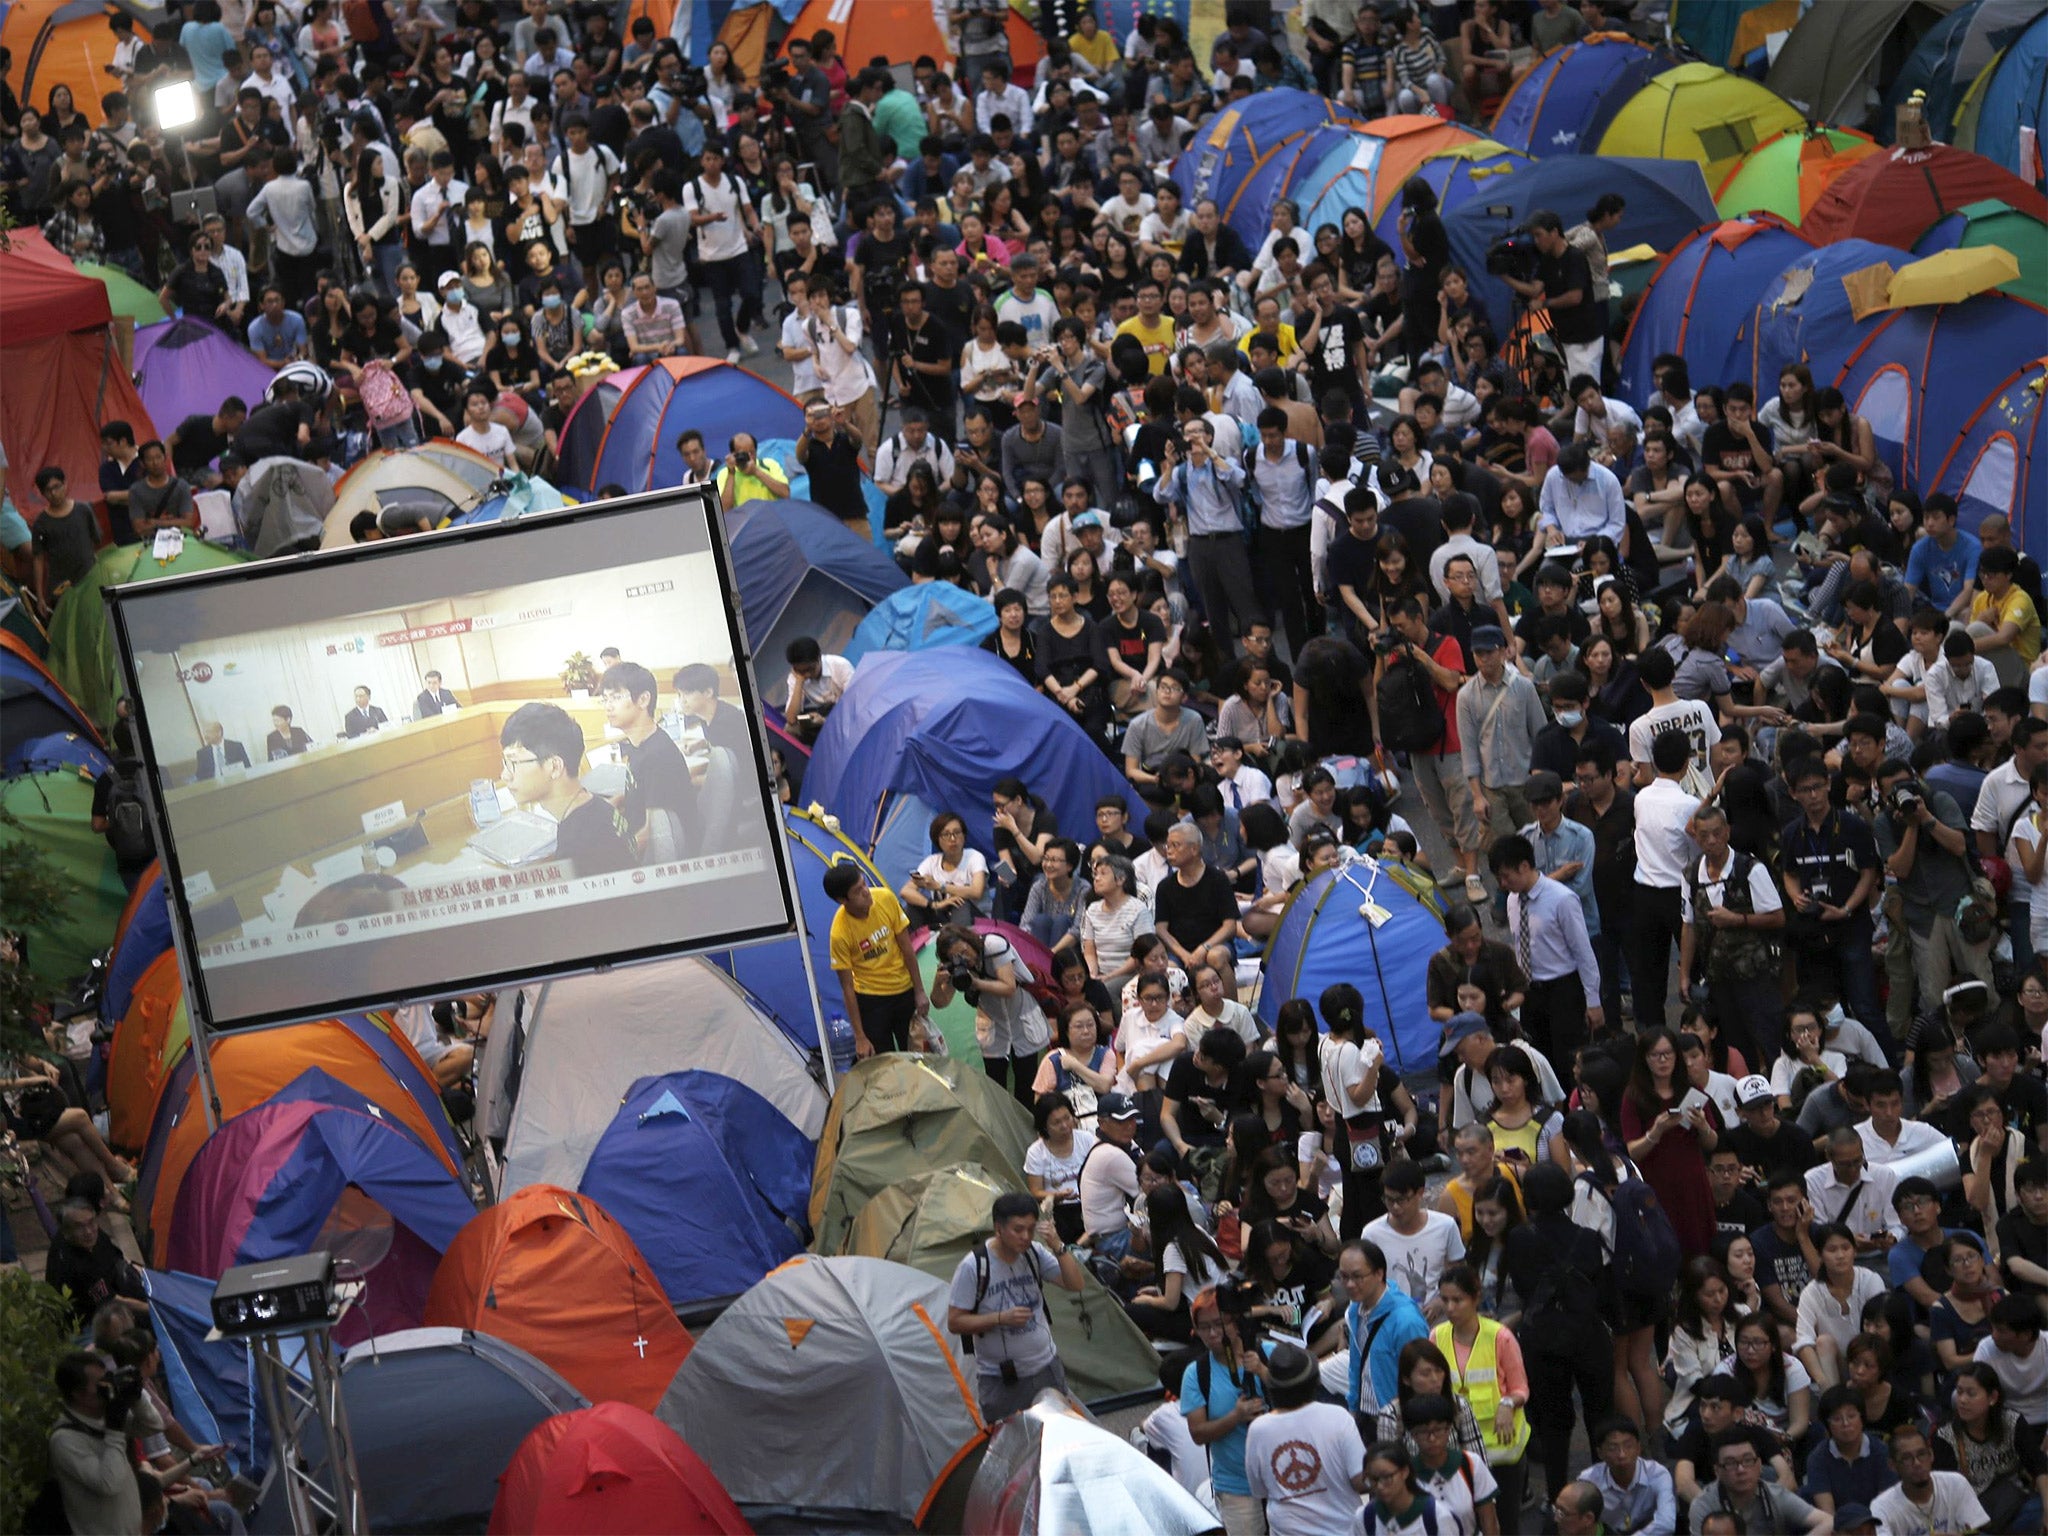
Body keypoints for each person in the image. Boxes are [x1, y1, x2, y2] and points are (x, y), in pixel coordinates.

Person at [946, 1190, 1088, 1420]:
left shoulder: (1034, 1254)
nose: (1025, 1237)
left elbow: (1075, 1284)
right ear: (998, 1228)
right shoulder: (974, 1266)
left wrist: (1058, 1246)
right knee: (1010, 1445)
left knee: (1056, 1436)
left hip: (1046, 1366)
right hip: (1001, 1378)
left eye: (1031, 1229)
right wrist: (1001, 1318)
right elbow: (955, 1322)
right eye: (1018, 1229)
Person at [1491, 834, 1602, 1071]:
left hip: (1563, 990)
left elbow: (1583, 952)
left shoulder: (1562, 899)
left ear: (1523, 866)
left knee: (1567, 1060)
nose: (1502, 883)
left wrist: (1593, 1001)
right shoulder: (1513, 900)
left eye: (1505, 876)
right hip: (1531, 992)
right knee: (1538, 1060)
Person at [1245, 1343, 1368, 1536]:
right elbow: (1361, 1480)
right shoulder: (1339, 1417)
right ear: (1313, 1381)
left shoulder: (1258, 1430)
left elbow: (1259, 1490)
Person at [499, 702, 632, 877]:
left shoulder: (576, 845)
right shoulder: (594, 807)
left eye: (513, 763)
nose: (504, 775)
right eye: (505, 763)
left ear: (554, 767)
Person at [1181, 1288, 1274, 1536]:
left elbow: (1302, 1402)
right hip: (1235, 1486)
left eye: (1219, 1324)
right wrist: (1236, 1417)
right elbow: (1198, 1433)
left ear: (1236, 1322)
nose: (1212, 1334)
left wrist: (1265, 1374)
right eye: (1203, 1327)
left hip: (1280, 1477)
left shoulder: (1268, 1353)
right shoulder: (1196, 1374)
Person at [823, 862, 930, 1059]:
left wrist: (920, 991)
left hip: (904, 990)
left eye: (864, 884)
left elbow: (907, 948)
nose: (866, 892)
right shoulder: (839, 933)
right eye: (858, 891)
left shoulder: (885, 898)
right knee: (885, 1064)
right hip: (872, 1001)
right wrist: (860, 1037)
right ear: (842, 899)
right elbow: (847, 987)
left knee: (918, 1058)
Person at [599, 662, 696, 864]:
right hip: (639, 835)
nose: (608, 706)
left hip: (663, 857)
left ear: (643, 699)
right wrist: (617, 801)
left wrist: (609, 863)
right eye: (605, 699)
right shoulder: (641, 744)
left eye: (616, 697)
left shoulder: (658, 756)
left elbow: (652, 832)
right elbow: (641, 789)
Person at [47, 1352, 145, 1536]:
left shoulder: (102, 1417)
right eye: (100, 1383)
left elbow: (154, 1425)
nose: (108, 1386)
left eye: (108, 1378)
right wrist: (115, 1431)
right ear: (78, 1394)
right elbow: (109, 1483)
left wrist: (135, 1397)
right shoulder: (64, 1439)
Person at [1690, 1425, 1830, 1534]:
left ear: (1759, 1465)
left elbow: (1828, 1522)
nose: (1741, 1470)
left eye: (1747, 1460)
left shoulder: (1776, 1495)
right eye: (1731, 1463)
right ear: (1717, 1471)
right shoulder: (1704, 1506)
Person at [43, 1198, 148, 1325]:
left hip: (110, 1286)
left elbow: (117, 1259)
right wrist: (153, 1309)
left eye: (91, 1222)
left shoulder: (94, 1236)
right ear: (67, 1231)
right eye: (79, 1226)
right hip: (85, 1320)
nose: (88, 1231)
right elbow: (113, 1301)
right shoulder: (76, 1264)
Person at [1872, 1420, 1987, 1536]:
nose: (1917, 1463)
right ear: (1893, 1465)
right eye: (1907, 1458)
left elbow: (1976, 1531)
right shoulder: (1881, 1507)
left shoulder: (1955, 1483)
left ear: (1931, 1455)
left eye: (1921, 1454)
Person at [1576, 1415, 1675, 1536]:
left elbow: (1667, 1522)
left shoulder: (1657, 1474)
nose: (1622, 1454)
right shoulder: (1588, 1481)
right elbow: (1578, 1523)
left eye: (1628, 1446)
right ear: (1600, 1453)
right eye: (1613, 1448)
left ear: (1638, 1448)